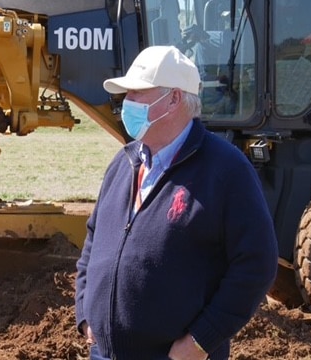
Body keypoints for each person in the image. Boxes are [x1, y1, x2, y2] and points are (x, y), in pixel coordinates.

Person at [74, 45, 278, 360]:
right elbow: (93, 240)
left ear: (174, 99)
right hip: (104, 353)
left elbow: (257, 263)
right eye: (126, 94)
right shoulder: (123, 163)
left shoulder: (225, 170)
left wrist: (199, 342)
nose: (126, 103)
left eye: (137, 93)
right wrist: (86, 313)